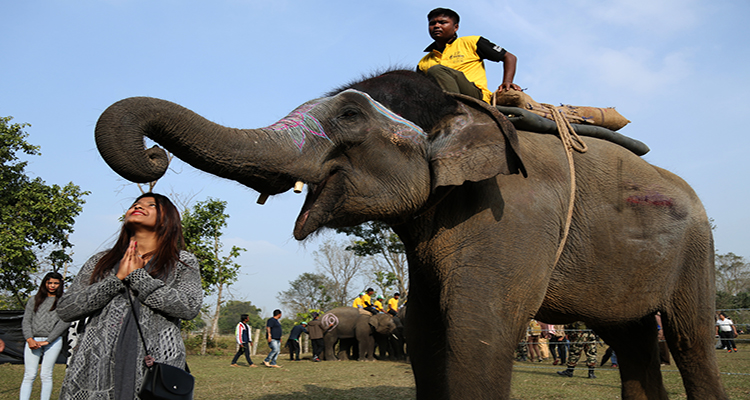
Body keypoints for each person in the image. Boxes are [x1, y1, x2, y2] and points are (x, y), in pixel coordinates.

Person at [57, 193, 203, 399]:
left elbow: (189, 307)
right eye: (136, 204)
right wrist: (115, 280)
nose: (139, 206)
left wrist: (138, 277)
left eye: (151, 205)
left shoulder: (182, 262)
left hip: (155, 366)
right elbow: (66, 309)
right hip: (95, 368)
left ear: (167, 220)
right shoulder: (101, 261)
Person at [418, 7, 521, 103]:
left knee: (436, 70)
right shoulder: (423, 62)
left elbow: (509, 57)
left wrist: (507, 82)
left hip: (474, 94)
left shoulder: (472, 42)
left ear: (455, 27)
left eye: (442, 22)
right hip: (440, 99)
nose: (436, 26)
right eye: (432, 23)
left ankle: (455, 109)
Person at [20, 271, 70, 400]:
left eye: (55, 283)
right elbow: (26, 320)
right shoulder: (34, 299)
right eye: (49, 283)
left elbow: (64, 322)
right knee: (29, 375)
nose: (52, 285)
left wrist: (48, 341)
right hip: (33, 340)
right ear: (45, 283)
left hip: (53, 341)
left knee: (46, 375)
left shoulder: (64, 301)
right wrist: (29, 339)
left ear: (60, 284)